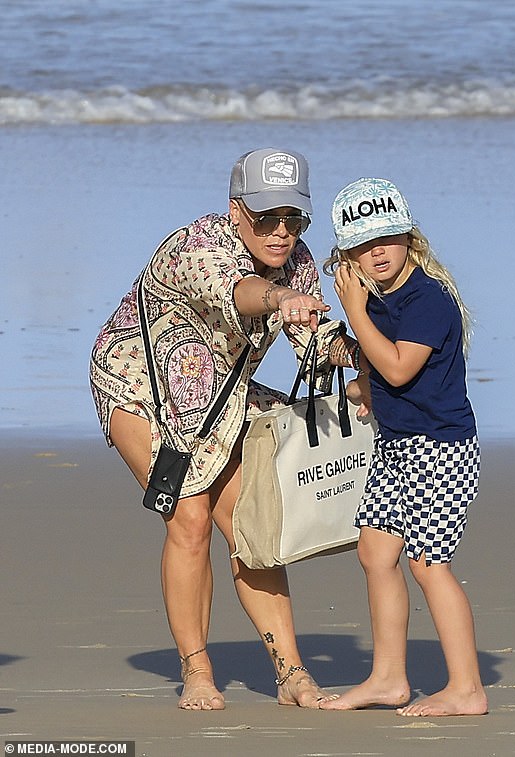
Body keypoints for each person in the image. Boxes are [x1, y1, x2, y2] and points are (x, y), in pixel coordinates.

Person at [89, 148, 359, 711]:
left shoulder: (298, 261)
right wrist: (283, 297)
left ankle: (290, 673)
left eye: (294, 219)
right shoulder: (199, 247)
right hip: (139, 383)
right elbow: (244, 294)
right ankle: (197, 671)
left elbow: (310, 340)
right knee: (189, 517)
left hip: (221, 394)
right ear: (237, 212)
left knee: (251, 527)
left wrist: (354, 354)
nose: (282, 234)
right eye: (267, 219)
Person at [318, 177, 488, 717]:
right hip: (398, 449)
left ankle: (466, 688)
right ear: (348, 256)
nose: (378, 252)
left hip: (444, 450)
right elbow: (385, 377)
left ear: (410, 238)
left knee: (429, 564)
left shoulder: (426, 300)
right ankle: (389, 678)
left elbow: (398, 365)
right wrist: (357, 382)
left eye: (388, 238)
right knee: (375, 552)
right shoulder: (380, 299)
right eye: (365, 246)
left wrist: (355, 313)